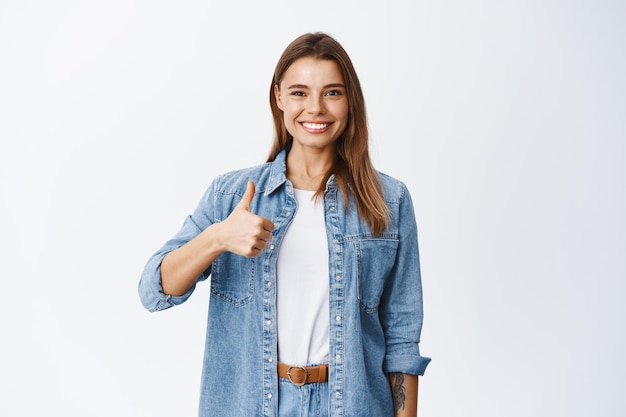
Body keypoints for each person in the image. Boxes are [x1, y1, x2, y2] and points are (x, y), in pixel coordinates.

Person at [139, 32, 430, 417]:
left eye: (332, 92)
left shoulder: (388, 201)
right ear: (278, 97)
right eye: (299, 93)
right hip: (251, 404)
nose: (315, 108)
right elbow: (154, 291)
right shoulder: (232, 195)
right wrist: (217, 237)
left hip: (351, 404)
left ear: (350, 101)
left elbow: (402, 334)